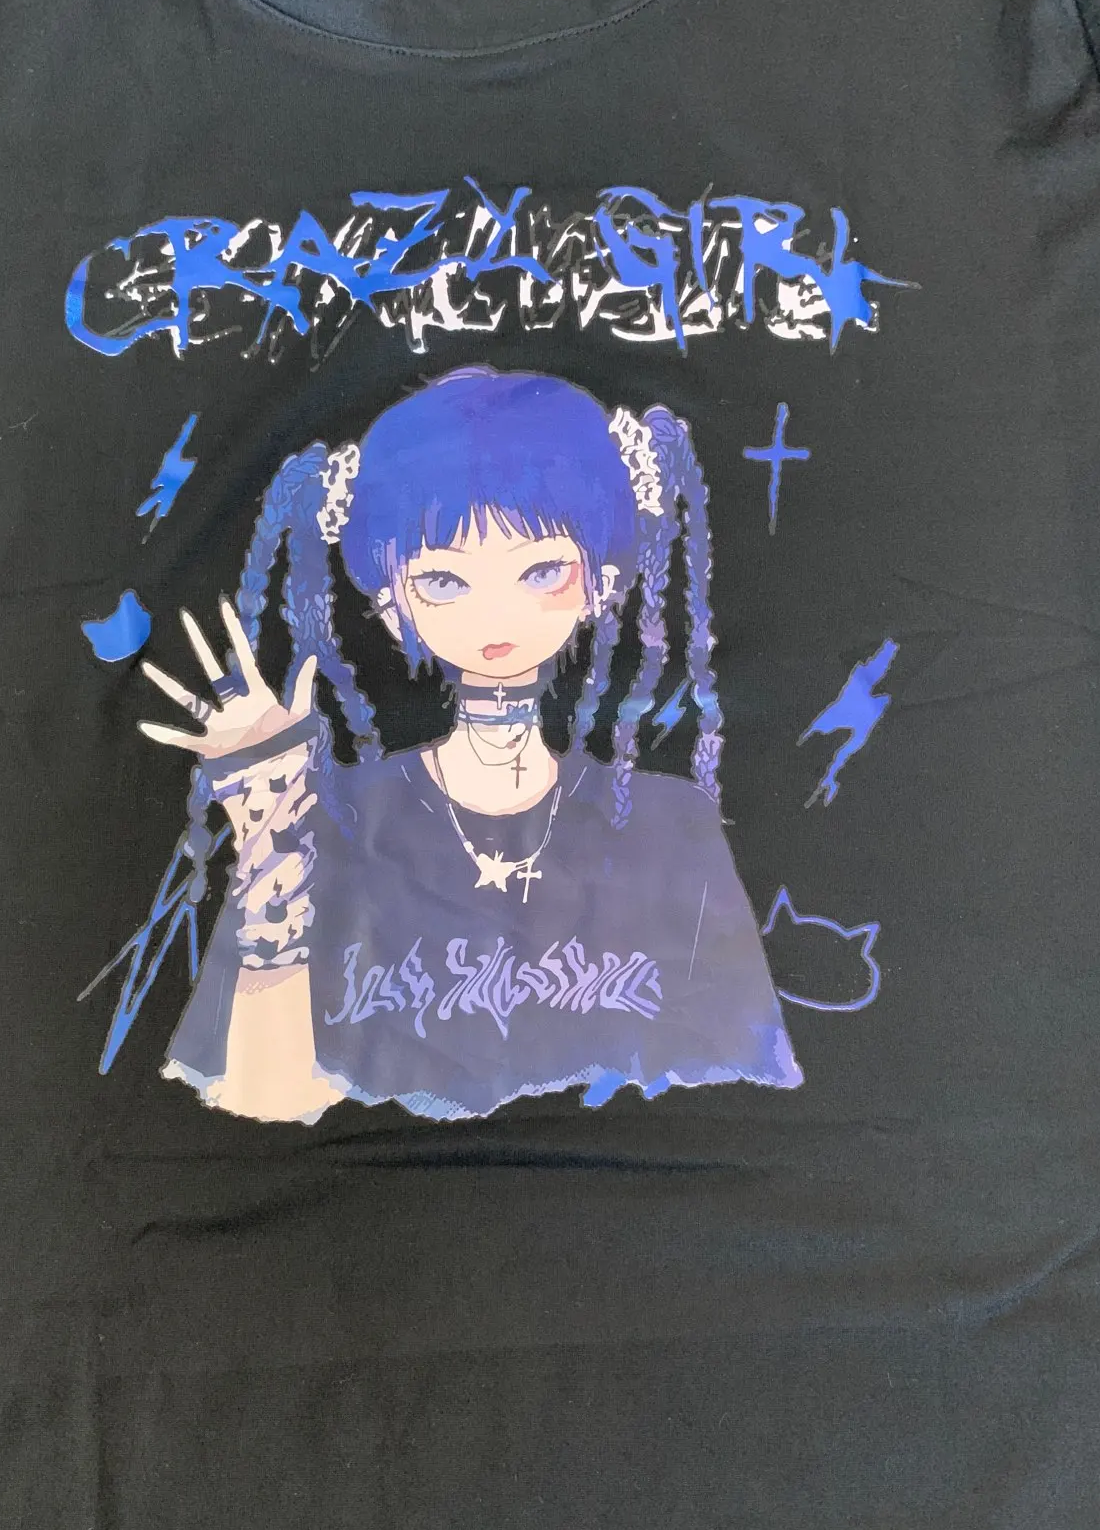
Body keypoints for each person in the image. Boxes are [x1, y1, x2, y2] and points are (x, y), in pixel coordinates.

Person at [132, 365, 802, 1122]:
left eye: (542, 571)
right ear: (391, 606)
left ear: (602, 582)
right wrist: (270, 843)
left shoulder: (670, 825)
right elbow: (262, 1108)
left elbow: (737, 1094)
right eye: (445, 582)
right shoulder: (324, 817)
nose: (496, 617)